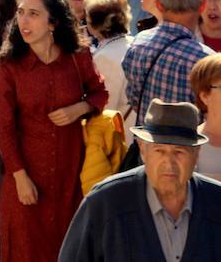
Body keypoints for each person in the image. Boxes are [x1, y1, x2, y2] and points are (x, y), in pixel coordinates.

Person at [0, 0, 108, 262]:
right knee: (25, 249)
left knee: (69, 249)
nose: (23, 20)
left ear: (53, 22)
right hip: (26, 176)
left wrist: (80, 108)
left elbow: (100, 93)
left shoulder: (77, 56)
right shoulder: (10, 65)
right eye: (20, 12)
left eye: (33, 13)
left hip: (71, 173)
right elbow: (5, 128)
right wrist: (20, 177)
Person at [58, 99, 221, 261]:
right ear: (143, 150)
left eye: (179, 152)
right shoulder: (105, 202)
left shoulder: (216, 202)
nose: (169, 163)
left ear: (196, 153)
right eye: (160, 151)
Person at [124, 0, 214, 115]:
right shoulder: (205, 59)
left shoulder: (139, 43)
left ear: (158, 4)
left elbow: (133, 97)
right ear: (202, 6)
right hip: (190, 137)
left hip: (145, 136)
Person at [85, 0, 134, 123]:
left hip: (119, 138)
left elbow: (105, 108)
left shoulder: (106, 57)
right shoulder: (133, 43)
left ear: (92, 22)